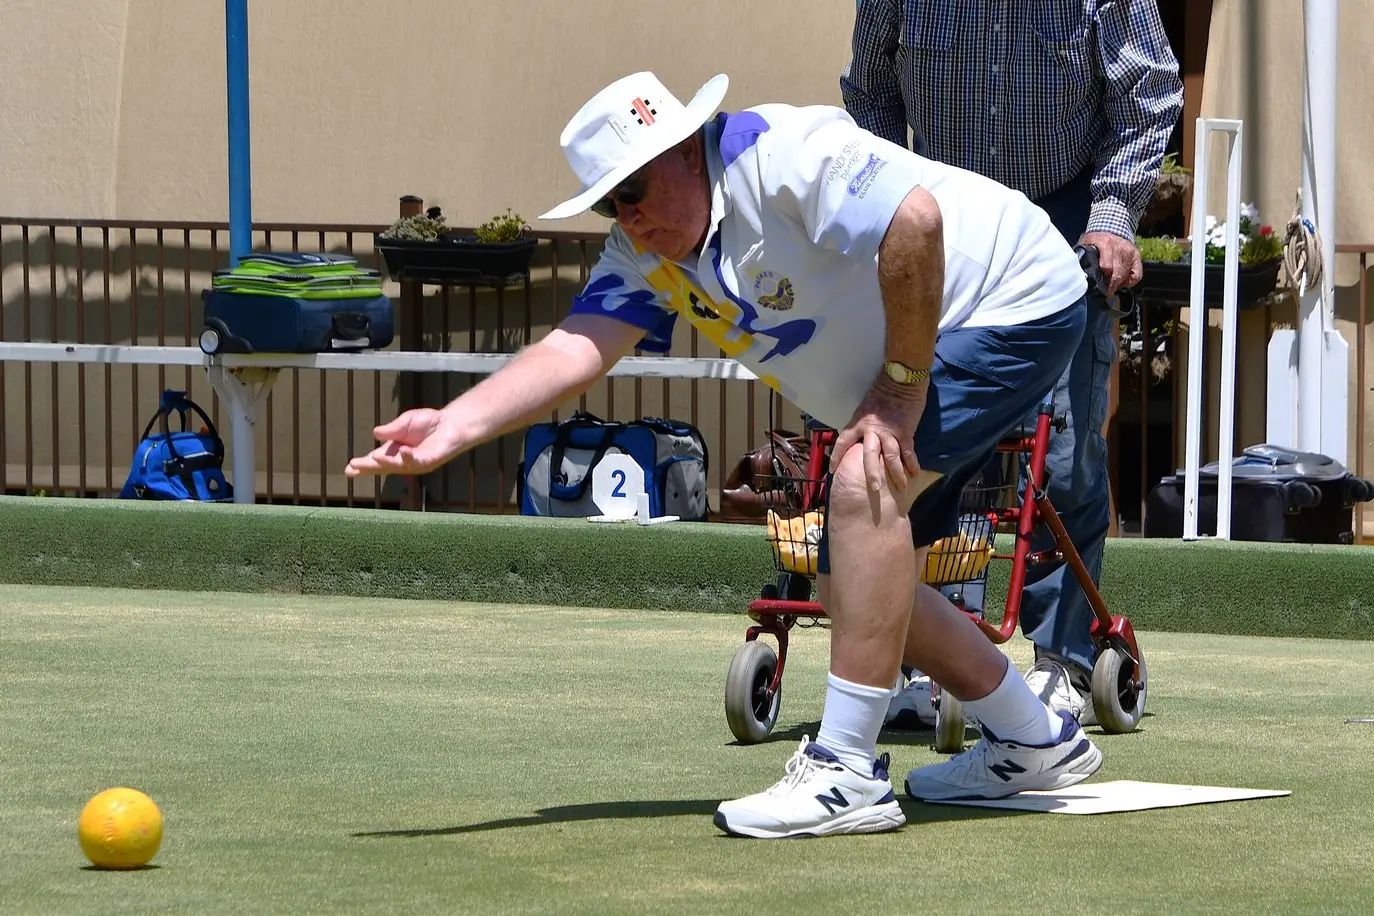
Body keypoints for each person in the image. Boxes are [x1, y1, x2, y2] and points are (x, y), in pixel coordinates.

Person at [345, 71, 1103, 839]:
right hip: (941, 337)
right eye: (610, 202)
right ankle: (1032, 741)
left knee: (860, 481)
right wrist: (453, 424)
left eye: (633, 189)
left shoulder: (781, 155)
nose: (628, 217)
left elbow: (915, 220)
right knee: (860, 571)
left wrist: (900, 393)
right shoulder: (648, 252)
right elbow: (579, 345)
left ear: (683, 150)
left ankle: (846, 773)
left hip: (1011, 300)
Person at [841, 1, 1184, 725]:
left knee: (1061, 456)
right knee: (928, 440)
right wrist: (884, 207)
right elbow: (869, 93)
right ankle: (924, 653)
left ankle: (1063, 660)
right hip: (943, 224)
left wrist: (1113, 215)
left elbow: (1148, 95)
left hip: (1063, 219)